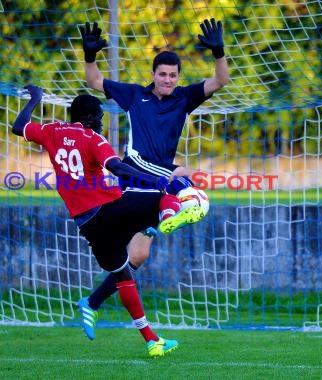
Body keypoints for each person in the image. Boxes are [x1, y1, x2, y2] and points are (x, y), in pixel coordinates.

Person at [11, 84, 205, 357]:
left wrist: (36, 99)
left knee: (123, 276)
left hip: (87, 224)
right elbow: (116, 166)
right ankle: (169, 217)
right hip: (108, 208)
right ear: (90, 118)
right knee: (163, 192)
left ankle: (152, 341)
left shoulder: (51, 131)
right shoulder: (93, 138)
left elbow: (19, 127)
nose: (102, 123)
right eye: (100, 118)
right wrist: (156, 179)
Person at [76, 18, 229, 339]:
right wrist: (89, 56)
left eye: (173, 76)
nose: (168, 80)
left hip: (158, 175)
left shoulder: (185, 98)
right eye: (163, 74)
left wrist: (219, 51)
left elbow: (220, 80)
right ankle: (171, 212)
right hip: (136, 173)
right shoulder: (134, 96)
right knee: (187, 187)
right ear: (153, 75)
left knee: (138, 255)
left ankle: (92, 301)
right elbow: (93, 81)